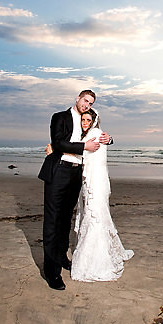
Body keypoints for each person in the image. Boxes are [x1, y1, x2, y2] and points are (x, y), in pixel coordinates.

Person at [37, 90, 111, 290]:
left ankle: (61, 257)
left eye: (91, 103)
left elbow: (99, 134)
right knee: (52, 221)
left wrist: (108, 139)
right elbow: (58, 142)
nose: (87, 105)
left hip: (76, 174)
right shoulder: (60, 117)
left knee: (65, 220)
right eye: (85, 100)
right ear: (78, 98)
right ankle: (52, 273)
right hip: (59, 170)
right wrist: (84, 147)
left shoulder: (87, 120)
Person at [69, 111, 133, 281]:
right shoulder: (87, 133)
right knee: (95, 216)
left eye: (88, 119)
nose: (84, 122)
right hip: (90, 181)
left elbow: (89, 156)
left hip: (95, 181)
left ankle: (95, 262)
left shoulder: (96, 134)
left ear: (94, 121)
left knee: (95, 217)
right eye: (83, 119)